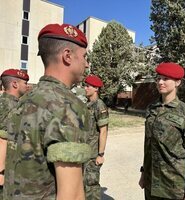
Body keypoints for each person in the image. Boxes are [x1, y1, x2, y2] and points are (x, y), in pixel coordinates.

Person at [1, 24, 92, 200]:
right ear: (67, 56)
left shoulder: (25, 100)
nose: (87, 64)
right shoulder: (67, 105)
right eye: (84, 56)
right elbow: (71, 195)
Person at [139, 62, 185, 200]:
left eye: (165, 79)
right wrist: (143, 173)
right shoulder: (152, 108)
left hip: (174, 186)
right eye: (158, 78)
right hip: (151, 182)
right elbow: (148, 145)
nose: (160, 82)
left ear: (177, 82)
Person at [0, 69, 29, 199]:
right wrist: (1, 171)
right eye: (25, 82)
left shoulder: (4, 102)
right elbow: (3, 138)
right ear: (15, 84)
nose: (27, 86)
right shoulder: (11, 105)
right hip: (5, 168)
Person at [84, 74, 109, 200]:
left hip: (93, 154)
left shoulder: (99, 106)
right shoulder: (87, 104)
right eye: (85, 86)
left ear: (96, 89)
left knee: (91, 186)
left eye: (88, 86)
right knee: (83, 186)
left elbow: (103, 131)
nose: (85, 88)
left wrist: (101, 154)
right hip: (84, 153)